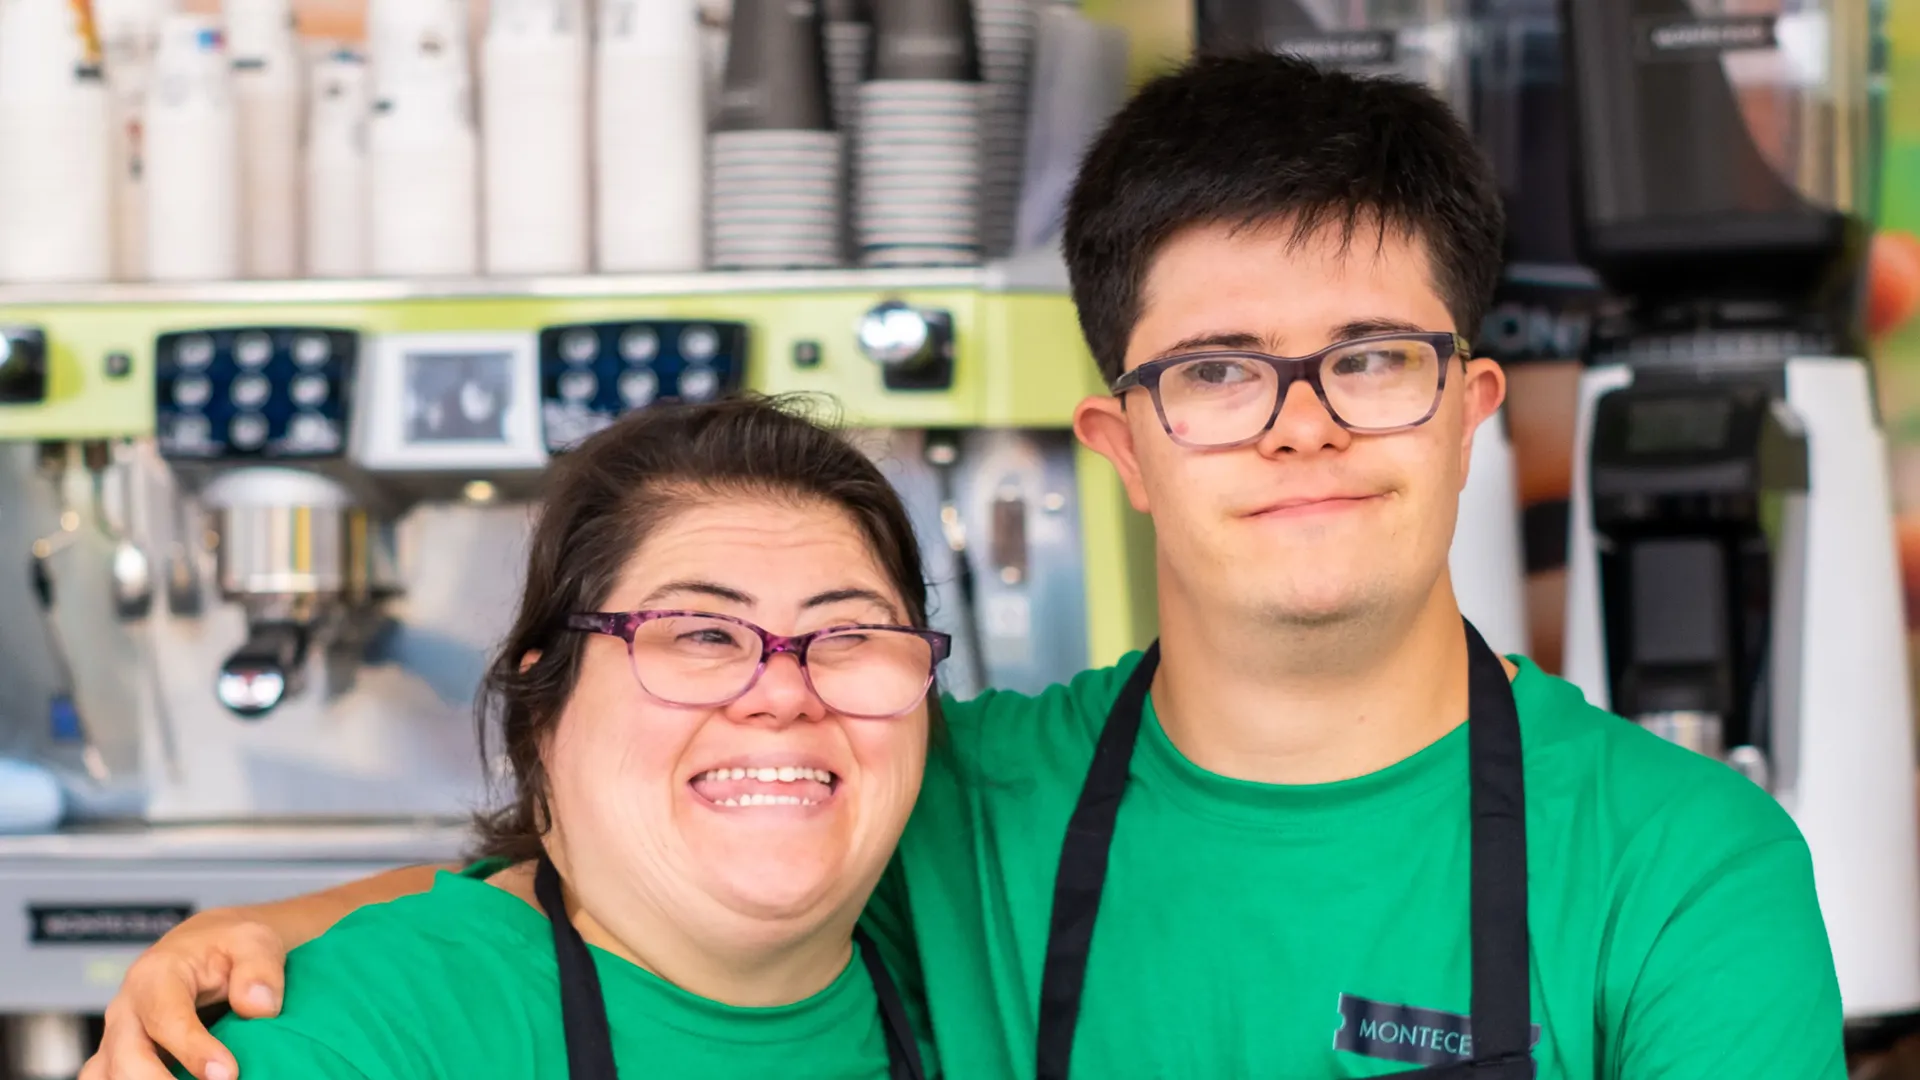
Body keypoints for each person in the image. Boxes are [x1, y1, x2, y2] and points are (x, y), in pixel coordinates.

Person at [92, 52, 1844, 1080]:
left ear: (1469, 406)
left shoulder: (1684, 871)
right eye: (1216, 373)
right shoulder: (954, 796)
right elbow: (624, 883)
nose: (1301, 426)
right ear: (1120, 444)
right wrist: (260, 939)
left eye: (1371, 360)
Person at [135, 396, 953, 1080]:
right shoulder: (347, 1043)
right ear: (544, 710)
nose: (783, 694)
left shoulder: (970, 969)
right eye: (702, 633)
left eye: (851, 636)